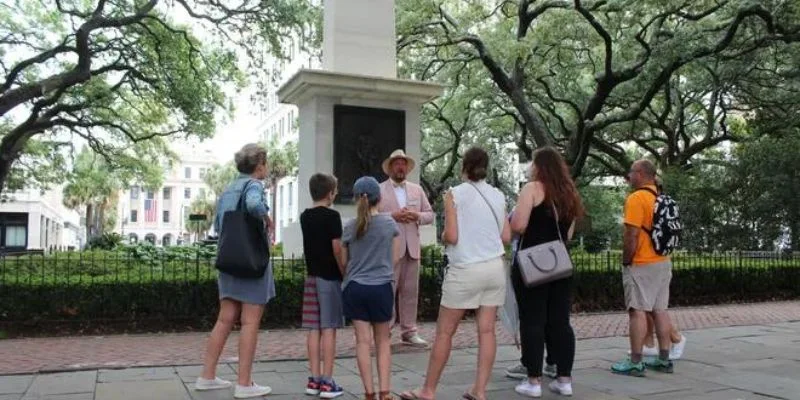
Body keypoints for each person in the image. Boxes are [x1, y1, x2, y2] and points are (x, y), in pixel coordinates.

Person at [400, 147, 511, 400]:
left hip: (465, 269)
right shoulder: (498, 195)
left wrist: (442, 236)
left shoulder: (454, 194)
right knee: (487, 331)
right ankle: (479, 390)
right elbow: (506, 236)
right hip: (494, 268)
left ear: (464, 166)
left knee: (445, 332)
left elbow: (452, 235)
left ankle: (428, 390)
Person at [197, 143, 275, 399]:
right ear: (259, 165)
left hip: (229, 259)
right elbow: (254, 205)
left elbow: (219, 225)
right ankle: (244, 383)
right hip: (252, 261)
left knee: (224, 318)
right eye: (266, 163)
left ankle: (207, 376)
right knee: (250, 321)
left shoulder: (229, 188)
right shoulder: (254, 185)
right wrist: (266, 218)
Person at [511, 147, 583, 398]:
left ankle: (533, 381)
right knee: (560, 322)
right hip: (560, 265)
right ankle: (564, 379)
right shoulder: (569, 193)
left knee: (532, 321)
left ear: (539, 166)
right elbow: (570, 235)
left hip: (532, 264)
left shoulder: (532, 189)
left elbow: (519, 225)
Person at [612, 159, 676, 377]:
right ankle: (664, 359)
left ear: (639, 174)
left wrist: (626, 259)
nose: (629, 177)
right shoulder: (661, 197)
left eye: (631, 172)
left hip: (642, 263)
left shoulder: (637, 198)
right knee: (660, 310)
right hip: (663, 261)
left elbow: (632, 234)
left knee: (637, 311)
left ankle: (635, 361)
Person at [341, 176, 399, 400]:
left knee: (362, 342)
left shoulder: (349, 226)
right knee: (383, 341)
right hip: (381, 287)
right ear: (380, 198)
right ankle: (385, 392)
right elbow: (394, 258)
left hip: (356, 288)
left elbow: (346, 263)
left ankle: (369, 393)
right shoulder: (389, 224)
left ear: (356, 199)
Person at [378, 149, 435, 346]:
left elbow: (430, 214)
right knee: (388, 290)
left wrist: (417, 216)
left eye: (403, 164)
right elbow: (372, 216)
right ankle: (385, 330)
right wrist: (393, 216)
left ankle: (409, 331)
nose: (400, 167)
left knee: (411, 291)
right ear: (390, 168)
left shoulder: (416, 190)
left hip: (412, 247)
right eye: (397, 164)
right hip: (389, 249)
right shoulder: (379, 189)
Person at [300, 173, 345, 398]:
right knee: (329, 328)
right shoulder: (333, 216)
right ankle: (328, 381)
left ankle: (314, 379)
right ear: (330, 194)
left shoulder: (305, 216)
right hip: (329, 277)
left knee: (313, 328)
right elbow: (337, 248)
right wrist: (344, 271)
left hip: (311, 277)